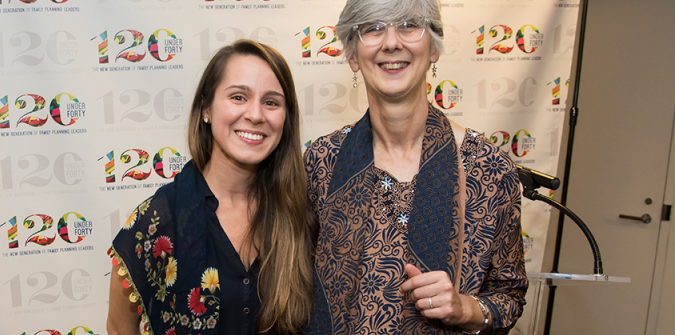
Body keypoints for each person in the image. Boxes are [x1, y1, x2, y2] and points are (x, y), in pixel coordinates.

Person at [303, 0, 527, 334]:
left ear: (433, 48)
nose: (392, 42)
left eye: (409, 24)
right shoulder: (323, 160)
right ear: (352, 55)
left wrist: (465, 308)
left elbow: (509, 295)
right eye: (373, 27)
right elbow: (292, 282)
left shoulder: (490, 168)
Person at [106, 40, 316, 335]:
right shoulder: (157, 221)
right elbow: (118, 328)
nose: (256, 115)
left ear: (285, 119)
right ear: (206, 108)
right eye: (238, 97)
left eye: (271, 102)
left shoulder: (301, 214)